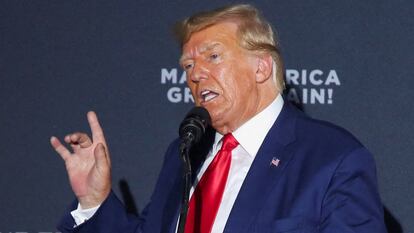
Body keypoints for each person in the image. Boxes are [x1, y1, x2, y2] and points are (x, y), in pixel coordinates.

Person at [51, 4, 387, 233]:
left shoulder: (332, 158)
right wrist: (94, 200)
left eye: (213, 56)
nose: (196, 74)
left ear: (262, 67)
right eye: (188, 65)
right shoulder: (184, 151)